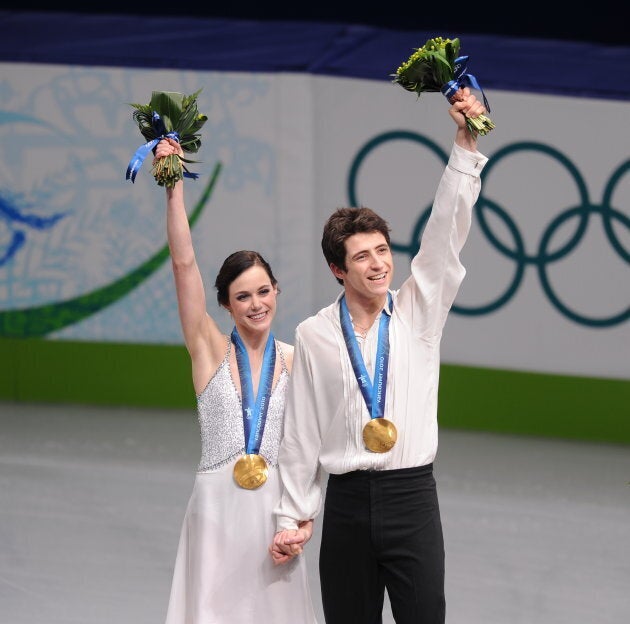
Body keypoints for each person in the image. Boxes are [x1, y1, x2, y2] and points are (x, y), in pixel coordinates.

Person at [270, 87, 489, 623]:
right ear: (337, 270)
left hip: (413, 499)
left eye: (384, 251)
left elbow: (443, 239)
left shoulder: (418, 313)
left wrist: (465, 145)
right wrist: (293, 515)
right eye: (362, 256)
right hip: (345, 506)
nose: (378, 265)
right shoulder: (316, 334)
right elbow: (301, 430)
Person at [154, 138, 317, 624]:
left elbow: (307, 452)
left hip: (275, 518)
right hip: (217, 513)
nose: (256, 304)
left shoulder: (298, 358)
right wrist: (173, 187)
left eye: (264, 291)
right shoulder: (207, 348)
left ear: (277, 292)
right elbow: (184, 265)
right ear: (225, 304)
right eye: (243, 296)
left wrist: (302, 523)